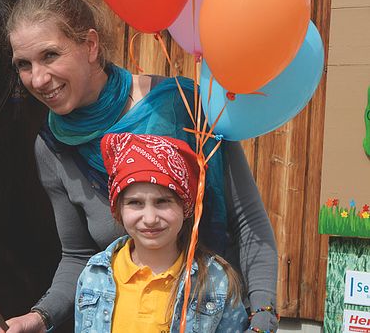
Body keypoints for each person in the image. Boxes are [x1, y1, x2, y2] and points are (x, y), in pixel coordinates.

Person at [2, 0, 278, 333]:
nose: (38, 79)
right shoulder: (53, 147)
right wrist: (41, 316)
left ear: (90, 45)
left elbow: (248, 221)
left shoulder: (183, 106)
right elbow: (78, 256)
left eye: (50, 55)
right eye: (23, 64)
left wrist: (263, 315)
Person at [75, 131, 248, 333]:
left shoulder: (215, 281)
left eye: (162, 202)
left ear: (185, 208)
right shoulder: (94, 276)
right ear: (118, 209)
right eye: (135, 203)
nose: (150, 218)